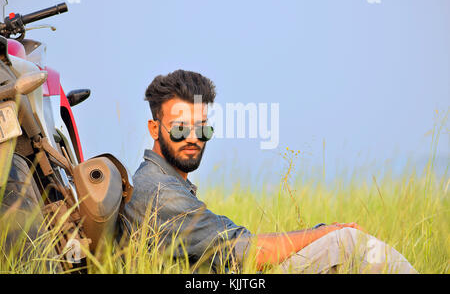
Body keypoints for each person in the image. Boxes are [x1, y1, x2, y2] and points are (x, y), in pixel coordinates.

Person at [119, 69, 417, 274]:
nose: (194, 137)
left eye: (202, 127)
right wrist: (329, 232)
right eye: (181, 127)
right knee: (346, 243)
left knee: (337, 242)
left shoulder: (164, 182)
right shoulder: (160, 191)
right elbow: (246, 253)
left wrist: (320, 233)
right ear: (154, 128)